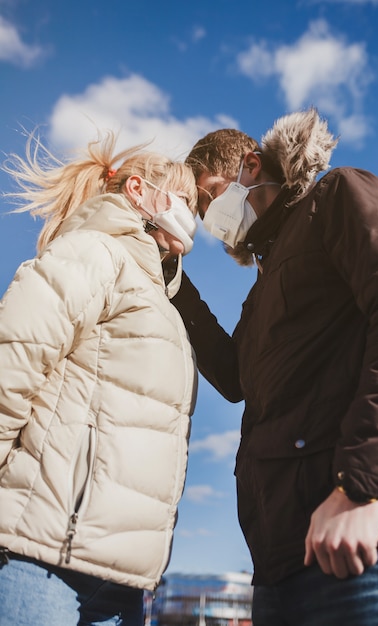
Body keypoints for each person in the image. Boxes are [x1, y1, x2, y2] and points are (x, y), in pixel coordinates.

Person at [171, 108, 378, 625]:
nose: (208, 214)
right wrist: (173, 280)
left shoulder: (338, 197)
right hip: (281, 560)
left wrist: (363, 488)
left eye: (211, 193)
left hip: (362, 543)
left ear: (252, 166)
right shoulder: (264, 283)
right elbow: (236, 380)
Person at [0, 130, 198, 626]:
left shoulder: (162, 300)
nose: (191, 213)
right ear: (137, 191)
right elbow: (12, 364)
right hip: (43, 554)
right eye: (182, 198)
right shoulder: (93, 253)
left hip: (120, 575)